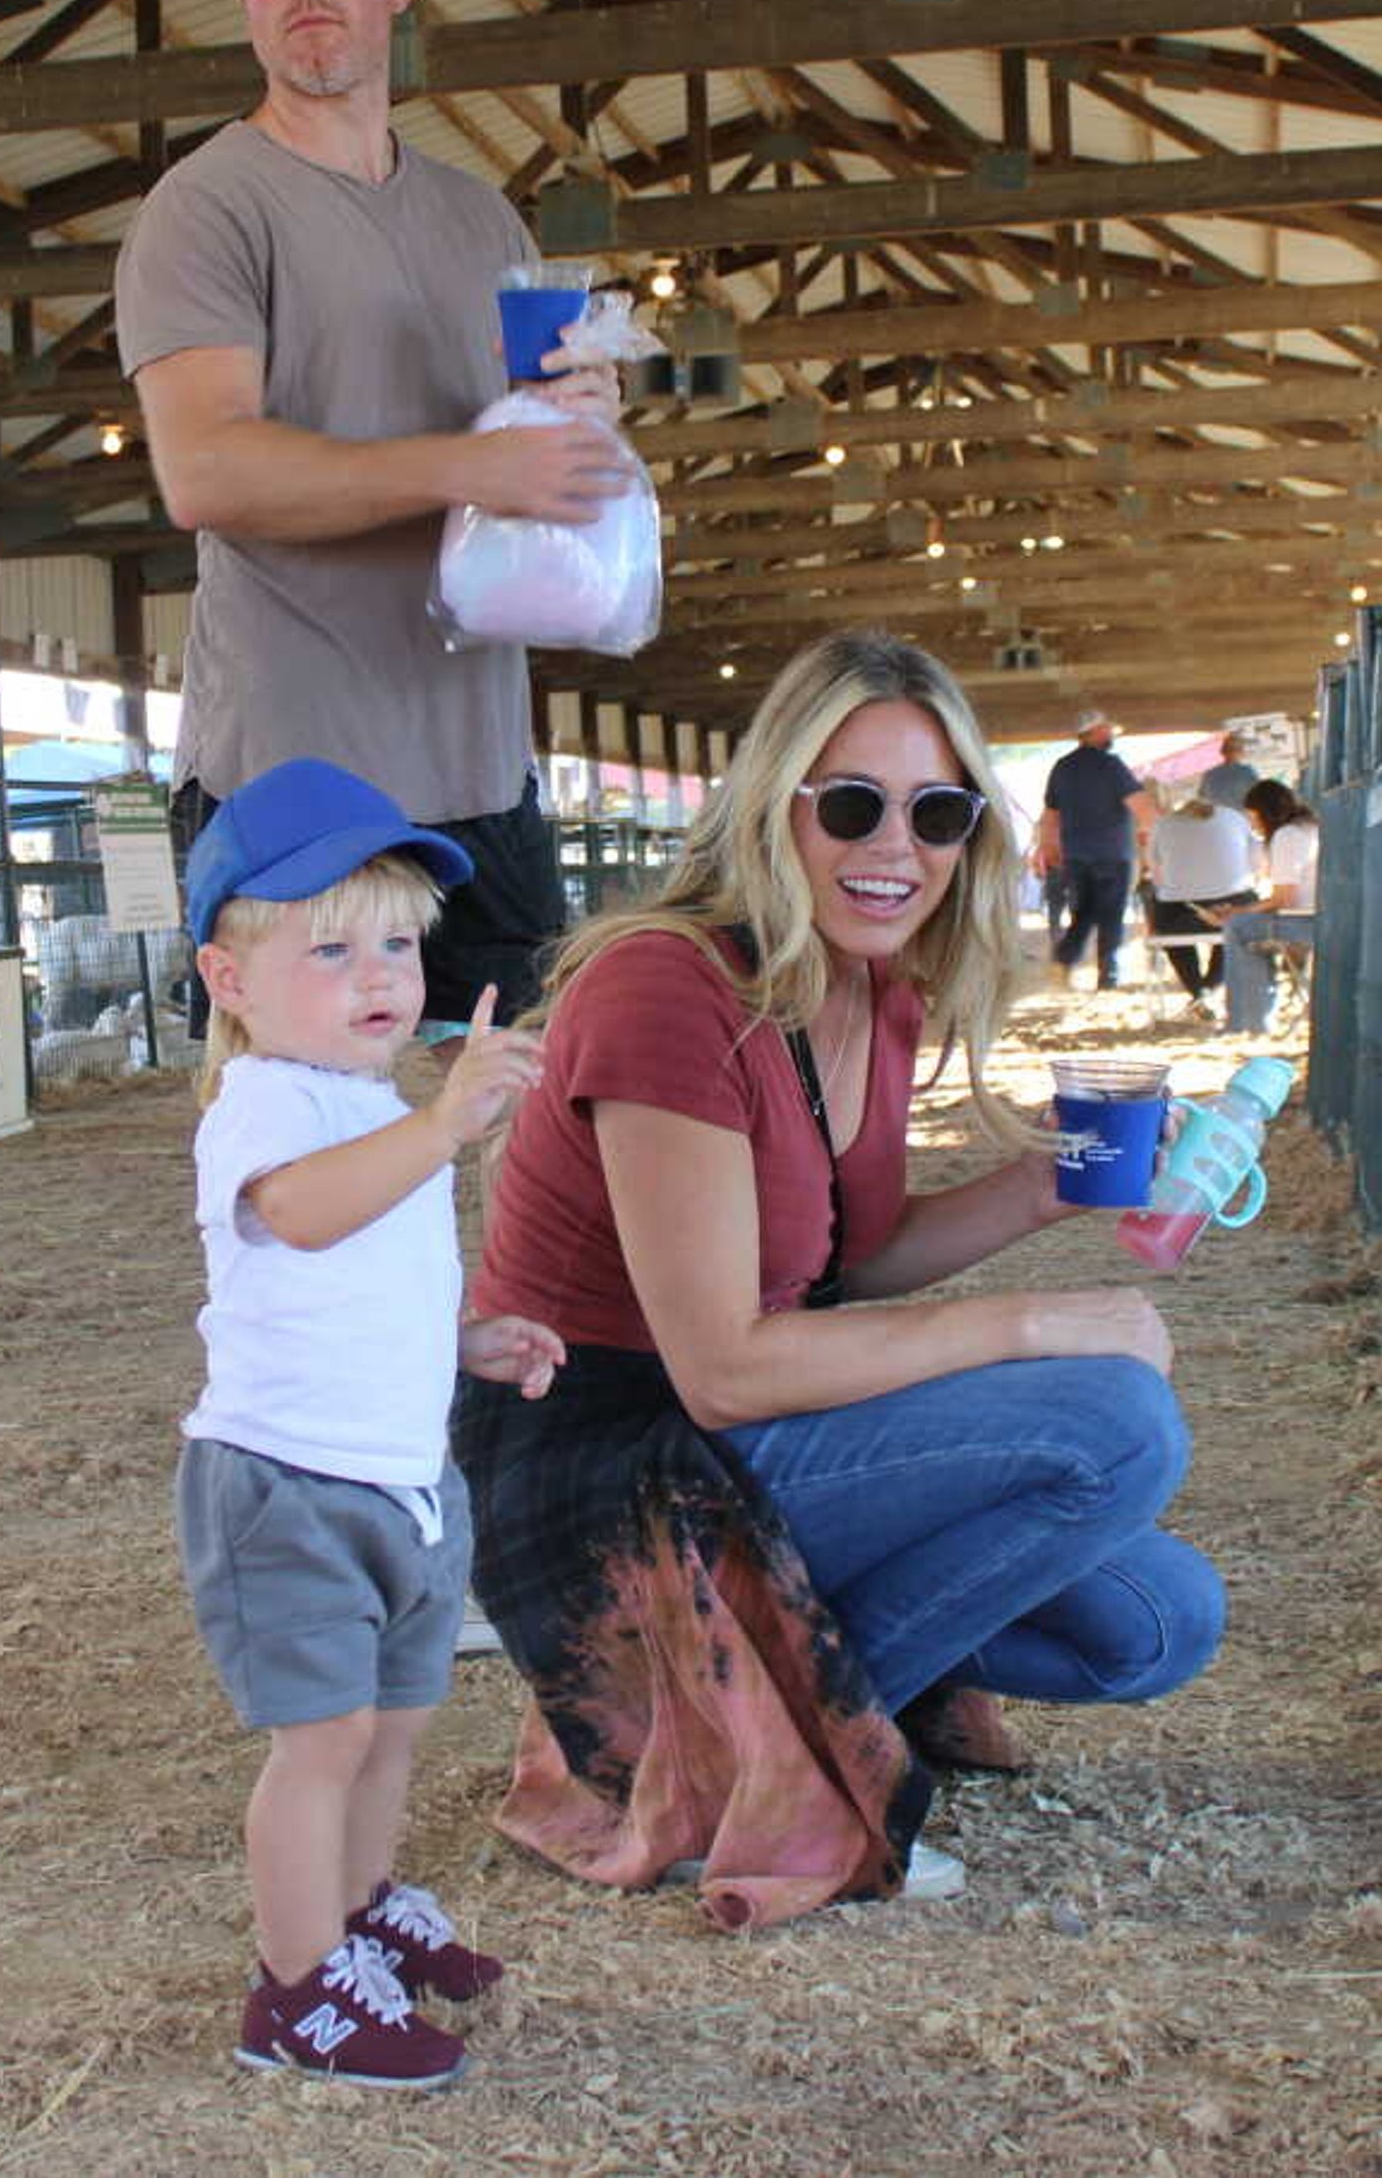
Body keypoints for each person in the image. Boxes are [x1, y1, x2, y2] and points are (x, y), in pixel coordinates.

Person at [455, 631, 1225, 1929]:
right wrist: (1033, 1323)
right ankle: (728, 1756)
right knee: (1111, 1425)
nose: (896, 847)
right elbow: (727, 1361)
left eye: (937, 813)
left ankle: (704, 1717)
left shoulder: (874, 987)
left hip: (738, 1436)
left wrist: (1051, 1184)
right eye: (855, 805)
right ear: (776, 809)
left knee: (1155, 1625)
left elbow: (847, 1257)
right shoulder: (666, 987)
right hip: (603, 1463)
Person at [117, 0, 637, 1034]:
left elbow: (510, 457)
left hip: (481, 770)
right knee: (305, 1164)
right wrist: (474, 464)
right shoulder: (205, 207)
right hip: (297, 774)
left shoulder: (478, 215)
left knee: (523, 1143)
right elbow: (206, 469)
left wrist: (575, 417)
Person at [175, 758, 568, 2088]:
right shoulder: (267, 1102)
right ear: (230, 982)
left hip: (403, 1474)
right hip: (287, 1483)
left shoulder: (372, 1103)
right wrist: (451, 1122)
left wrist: (461, 1344)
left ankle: (357, 1912)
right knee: (325, 1739)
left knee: (395, 1723)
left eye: (397, 941)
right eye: (330, 948)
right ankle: (293, 1996)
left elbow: (360, 1273)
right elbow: (301, 1214)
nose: (379, 974)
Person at [1033, 710, 1152, 993]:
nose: (1110, 735)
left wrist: (1049, 846)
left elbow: (1051, 813)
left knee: (1084, 912)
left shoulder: (1062, 767)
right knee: (1111, 913)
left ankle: (1064, 959)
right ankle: (1107, 976)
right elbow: (1141, 806)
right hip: (1112, 853)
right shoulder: (1111, 766)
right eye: (1107, 730)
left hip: (1076, 855)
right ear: (1094, 732)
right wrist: (1152, 837)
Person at [1143, 760, 1266, 1005]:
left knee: (1168, 923)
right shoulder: (1235, 819)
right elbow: (1257, 865)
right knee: (1232, 930)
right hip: (1234, 910)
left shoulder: (1163, 825)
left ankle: (1198, 992)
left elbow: (1154, 870)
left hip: (1179, 914)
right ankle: (1209, 987)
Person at [1220, 781, 1322, 1034]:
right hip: (1319, 917)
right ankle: (1255, 1016)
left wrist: (1238, 912)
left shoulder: (1286, 836)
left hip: (1304, 922)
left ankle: (1246, 1020)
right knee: (1247, 928)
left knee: (1237, 928)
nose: (1253, 826)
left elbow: (1283, 899)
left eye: (1253, 818)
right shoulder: (1311, 827)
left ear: (1266, 813)